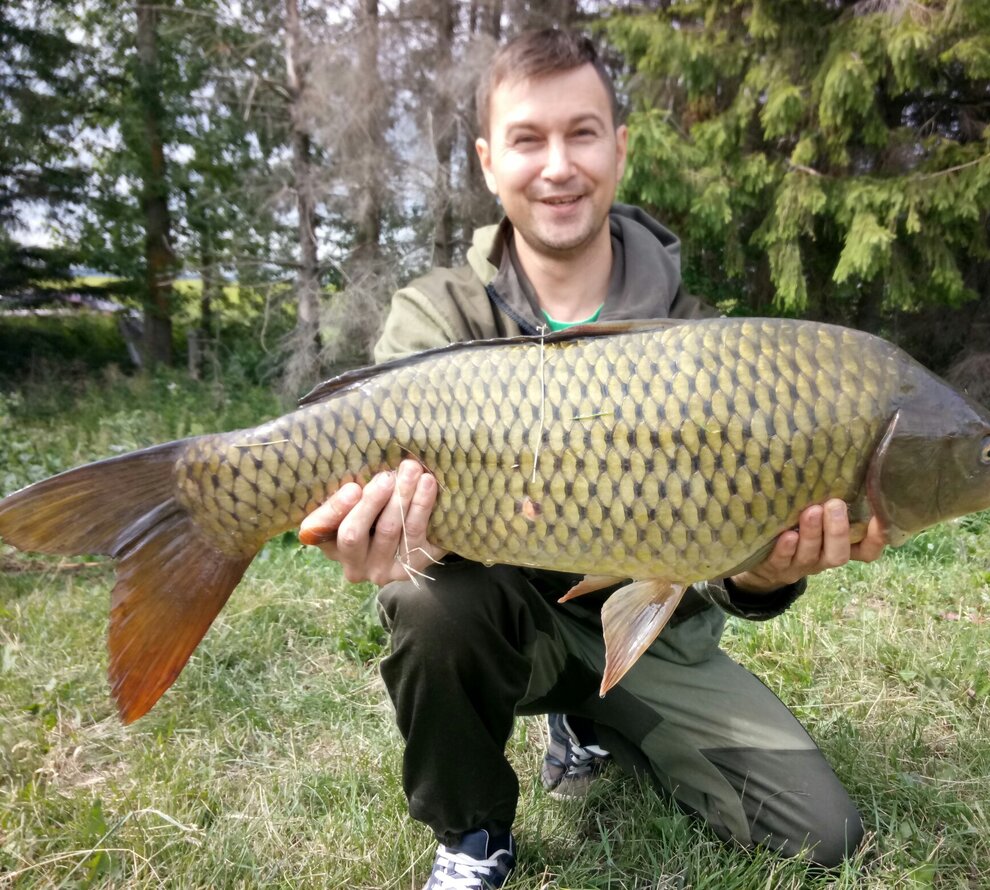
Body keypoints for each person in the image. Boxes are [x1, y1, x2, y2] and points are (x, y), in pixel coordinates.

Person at [300, 28, 887, 890]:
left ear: (620, 148)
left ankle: (592, 721)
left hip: (654, 641)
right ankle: (471, 833)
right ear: (489, 161)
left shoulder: (706, 342)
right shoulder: (437, 318)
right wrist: (391, 546)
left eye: (582, 133)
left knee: (824, 835)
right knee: (428, 607)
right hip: (501, 621)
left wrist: (764, 574)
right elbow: (406, 543)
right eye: (528, 139)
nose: (558, 165)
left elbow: (728, 569)